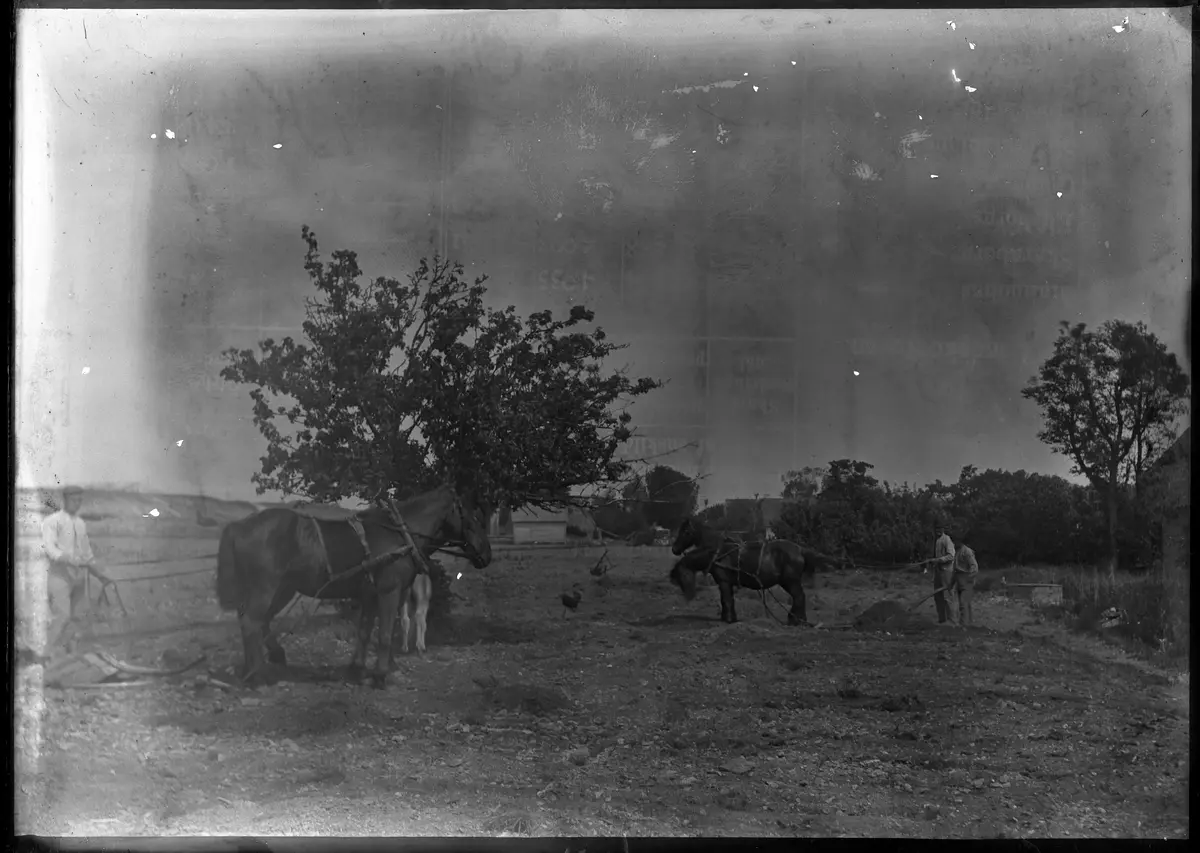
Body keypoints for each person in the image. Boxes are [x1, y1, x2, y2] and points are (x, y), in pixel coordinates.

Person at [42, 486, 111, 657]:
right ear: (64, 500)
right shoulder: (52, 521)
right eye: (74, 500)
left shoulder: (81, 523)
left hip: (79, 577)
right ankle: (44, 654)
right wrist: (68, 558)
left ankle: (67, 654)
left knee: (77, 617)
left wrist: (100, 575)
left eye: (80, 500)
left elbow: (87, 554)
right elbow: (49, 548)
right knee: (62, 616)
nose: (77, 503)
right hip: (59, 576)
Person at [931, 523, 957, 625]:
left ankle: (952, 621)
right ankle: (942, 620)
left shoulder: (947, 539)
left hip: (946, 571)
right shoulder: (937, 540)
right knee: (938, 596)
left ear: (943, 529)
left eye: (940, 528)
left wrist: (938, 560)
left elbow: (951, 556)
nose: (938, 530)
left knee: (947, 597)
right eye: (936, 528)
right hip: (938, 571)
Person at [949, 541, 979, 627]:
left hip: (966, 581)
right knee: (965, 604)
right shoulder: (956, 552)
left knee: (964, 603)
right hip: (959, 581)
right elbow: (955, 570)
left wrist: (968, 578)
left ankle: (964, 625)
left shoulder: (966, 551)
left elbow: (974, 567)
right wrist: (951, 584)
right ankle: (968, 623)